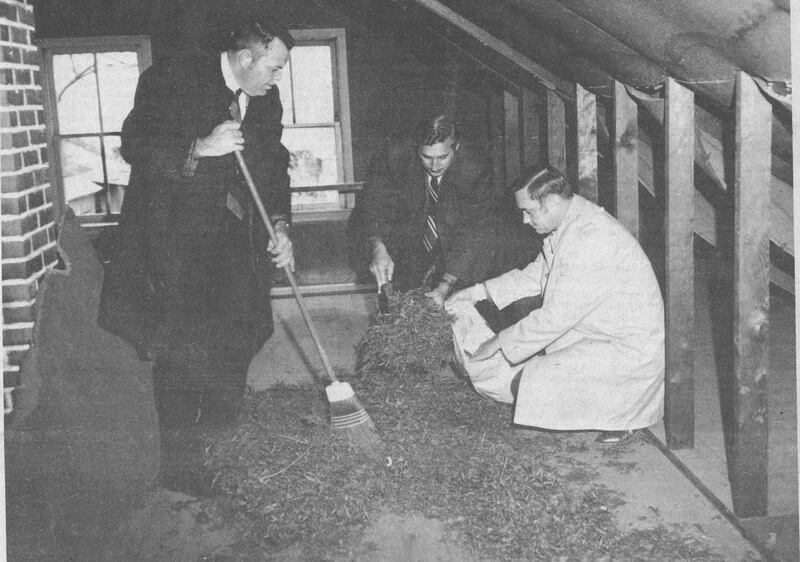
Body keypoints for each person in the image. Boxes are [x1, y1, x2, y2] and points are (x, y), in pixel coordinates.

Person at [98, 17, 294, 488]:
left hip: (235, 243)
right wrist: (198, 148)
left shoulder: (266, 101)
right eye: (274, 66)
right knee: (182, 352)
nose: (277, 77)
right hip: (175, 246)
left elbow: (273, 168)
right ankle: (182, 470)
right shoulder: (171, 78)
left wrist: (283, 226)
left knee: (238, 340)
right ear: (246, 59)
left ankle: (223, 451)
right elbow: (134, 144)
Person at [446, 167, 665, 444]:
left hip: (625, 353)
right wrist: (478, 292)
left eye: (529, 211)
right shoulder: (570, 224)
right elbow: (538, 275)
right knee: (524, 382)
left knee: (524, 384)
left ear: (551, 202)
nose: (525, 221)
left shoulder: (590, 238)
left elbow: (556, 317)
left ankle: (624, 416)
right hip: (598, 337)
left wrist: (499, 341)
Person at [349, 113, 539, 306]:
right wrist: (377, 247)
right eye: (426, 157)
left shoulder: (475, 168)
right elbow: (372, 207)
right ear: (416, 148)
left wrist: (445, 285)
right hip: (407, 244)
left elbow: (475, 233)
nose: (434, 165)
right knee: (397, 305)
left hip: (454, 245)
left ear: (455, 147)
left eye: (442, 157)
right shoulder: (392, 158)